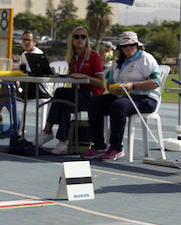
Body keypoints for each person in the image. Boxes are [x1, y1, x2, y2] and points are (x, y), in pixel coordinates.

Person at [81, 31, 162, 161]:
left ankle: (116, 148)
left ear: (137, 45)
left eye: (132, 45)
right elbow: (111, 83)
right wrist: (113, 89)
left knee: (118, 106)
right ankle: (99, 146)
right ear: (120, 48)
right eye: (124, 46)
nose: (128, 48)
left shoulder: (145, 58)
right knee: (94, 103)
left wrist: (133, 86)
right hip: (122, 96)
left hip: (146, 99)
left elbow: (155, 83)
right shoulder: (118, 62)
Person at [36, 26, 105, 154]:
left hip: (92, 96)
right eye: (76, 36)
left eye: (83, 36)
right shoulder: (72, 58)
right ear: (72, 40)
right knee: (64, 103)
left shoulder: (94, 56)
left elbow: (101, 82)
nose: (80, 39)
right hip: (77, 95)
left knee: (60, 93)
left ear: (86, 40)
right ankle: (62, 142)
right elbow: (73, 82)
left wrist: (86, 77)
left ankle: (47, 131)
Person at [17, 31, 49, 100]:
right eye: (23, 40)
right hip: (29, 85)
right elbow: (21, 70)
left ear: (34, 42)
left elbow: (30, 72)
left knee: (8, 88)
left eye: (28, 40)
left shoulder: (37, 53)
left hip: (40, 88)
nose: (25, 42)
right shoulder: (24, 54)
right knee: (8, 86)